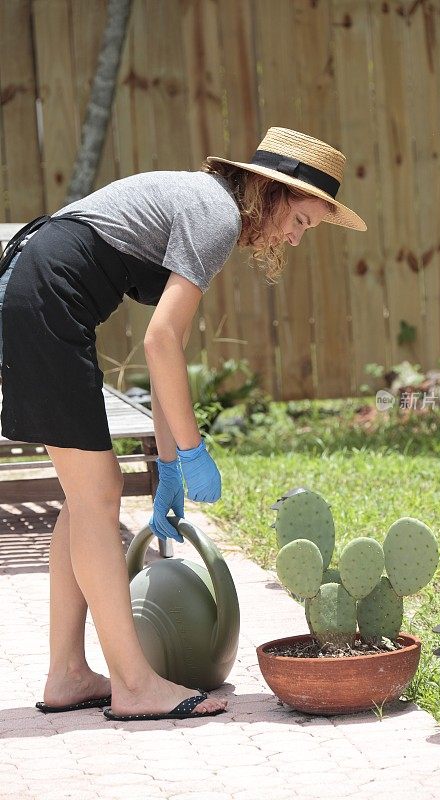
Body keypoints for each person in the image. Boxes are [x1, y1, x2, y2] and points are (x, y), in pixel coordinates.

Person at [0, 127, 366, 721]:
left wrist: (169, 462)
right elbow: (160, 338)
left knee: (82, 497)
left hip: (36, 295)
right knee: (98, 495)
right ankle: (135, 686)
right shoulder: (215, 214)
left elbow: (166, 353)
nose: (297, 238)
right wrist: (194, 453)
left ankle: (68, 674)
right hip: (44, 301)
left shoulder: (204, 204)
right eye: (300, 220)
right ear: (271, 193)